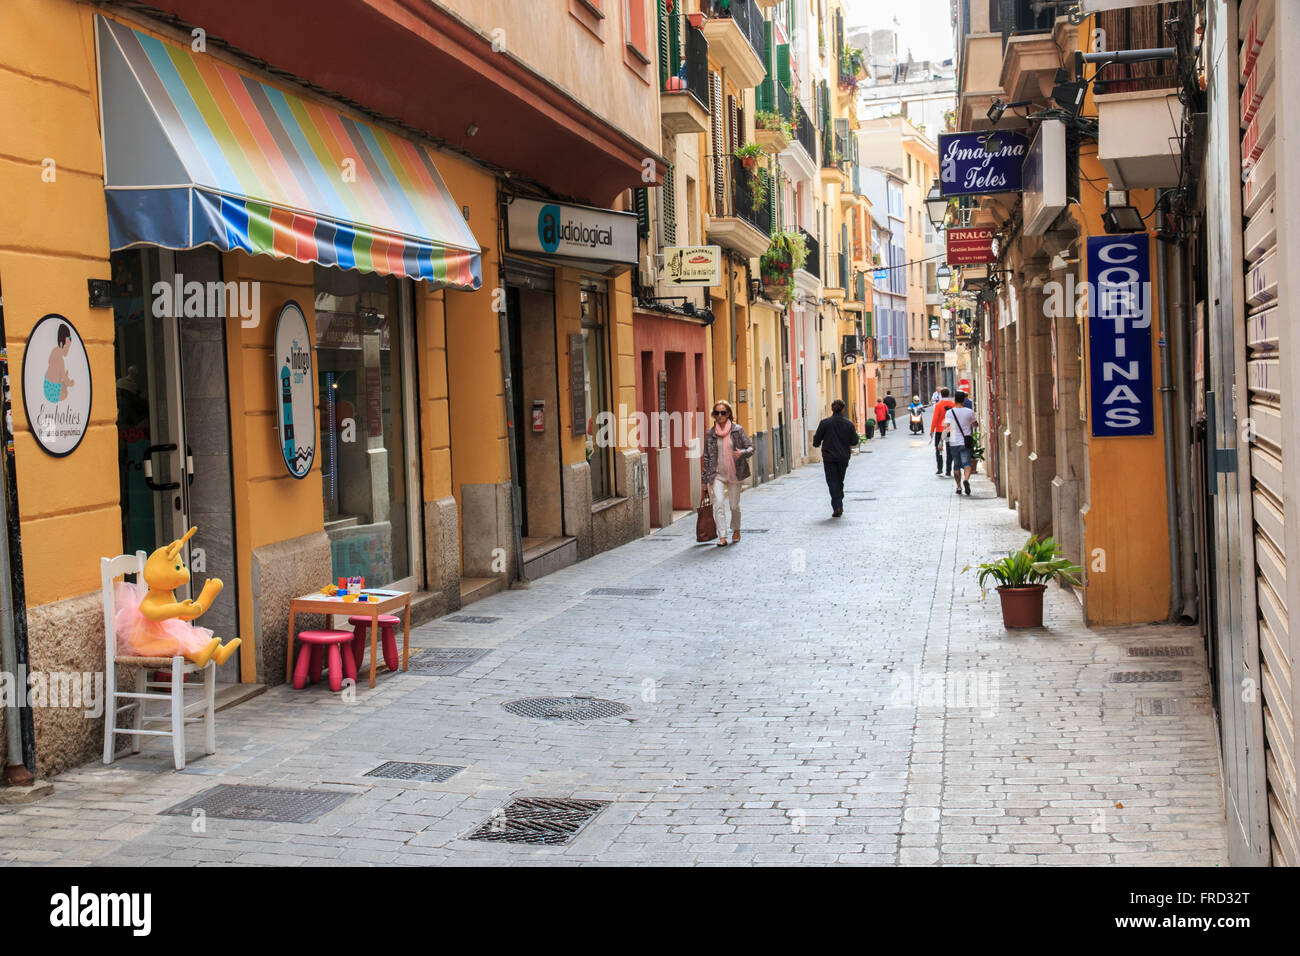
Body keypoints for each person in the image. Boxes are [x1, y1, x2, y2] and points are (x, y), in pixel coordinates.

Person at [700, 400, 754, 547]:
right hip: (716, 474)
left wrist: (741, 453)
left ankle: (736, 529)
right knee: (718, 503)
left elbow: (750, 448)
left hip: (735, 473)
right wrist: (705, 481)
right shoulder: (711, 434)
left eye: (723, 412)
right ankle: (722, 535)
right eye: (717, 413)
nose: (720, 415)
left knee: (734, 505)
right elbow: (707, 457)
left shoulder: (737, 430)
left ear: (728, 413)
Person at [812, 399, 859, 517]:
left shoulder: (824, 423)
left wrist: (817, 443)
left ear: (832, 409)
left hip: (829, 457)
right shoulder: (849, 424)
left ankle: (837, 505)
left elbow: (817, 440)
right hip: (843, 457)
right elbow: (854, 441)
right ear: (843, 409)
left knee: (832, 481)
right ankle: (839, 500)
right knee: (839, 480)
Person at [945, 390, 978, 496]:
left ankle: (959, 487)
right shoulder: (969, 412)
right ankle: (966, 480)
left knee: (956, 465)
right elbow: (975, 425)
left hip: (954, 442)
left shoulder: (949, 412)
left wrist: (942, 442)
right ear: (963, 400)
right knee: (967, 463)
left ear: (955, 400)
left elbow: (947, 427)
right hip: (965, 442)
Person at [930, 387, 956, 476]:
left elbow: (935, 418)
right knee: (949, 450)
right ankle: (948, 470)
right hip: (949, 430)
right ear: (948, 394)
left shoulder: (938, 405)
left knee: (938, 449)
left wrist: (932, 430)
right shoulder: (953, 404)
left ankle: (940, 468)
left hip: (940, 431)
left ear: (941, 394)